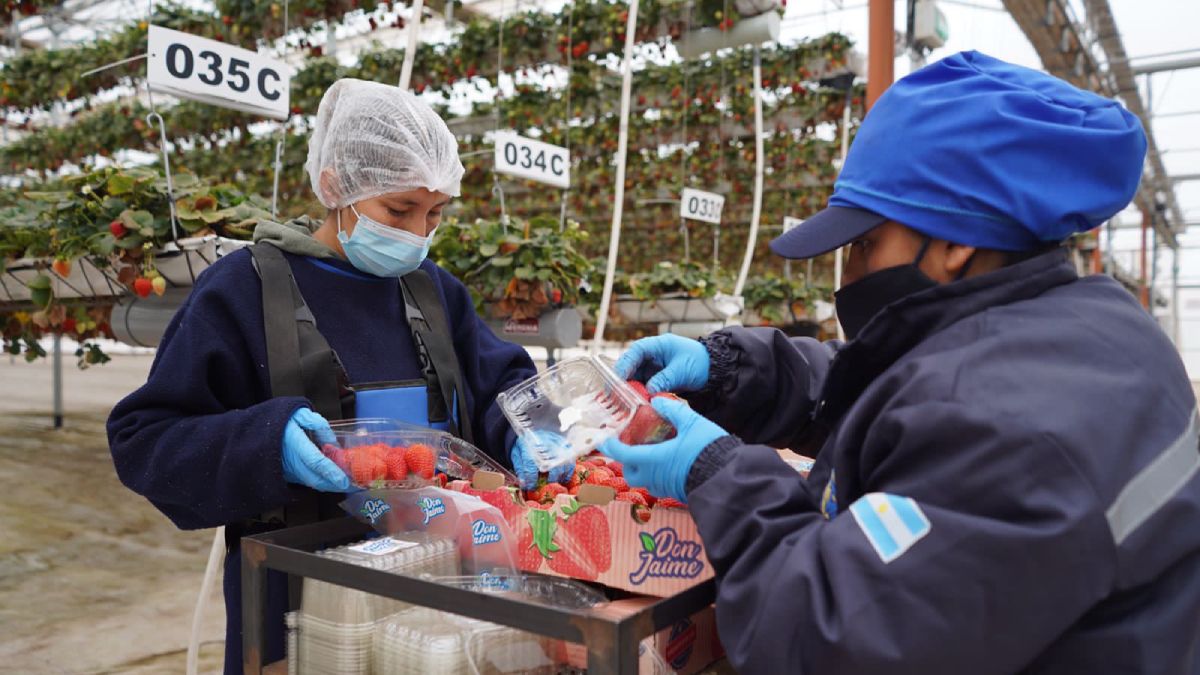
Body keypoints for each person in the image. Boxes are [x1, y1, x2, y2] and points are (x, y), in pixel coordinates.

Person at [602, 51, 1200, 674]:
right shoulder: (1083, 329)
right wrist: (732, 371)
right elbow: (903, 392)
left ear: (956, 241)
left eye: (865, 243)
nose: (850, 273)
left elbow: (831, 638)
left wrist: (719, 476)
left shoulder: (1016, 434)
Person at [107, 79, 556, 673]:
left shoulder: (434, 292)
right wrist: (267, 444)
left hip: (441, 598)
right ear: (335, 185)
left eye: (434, 214)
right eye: (398, 210)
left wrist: (530, 428)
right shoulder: (244, 290)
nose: (417, 234)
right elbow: (146, 439)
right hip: (297, 607)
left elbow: (499, 386)